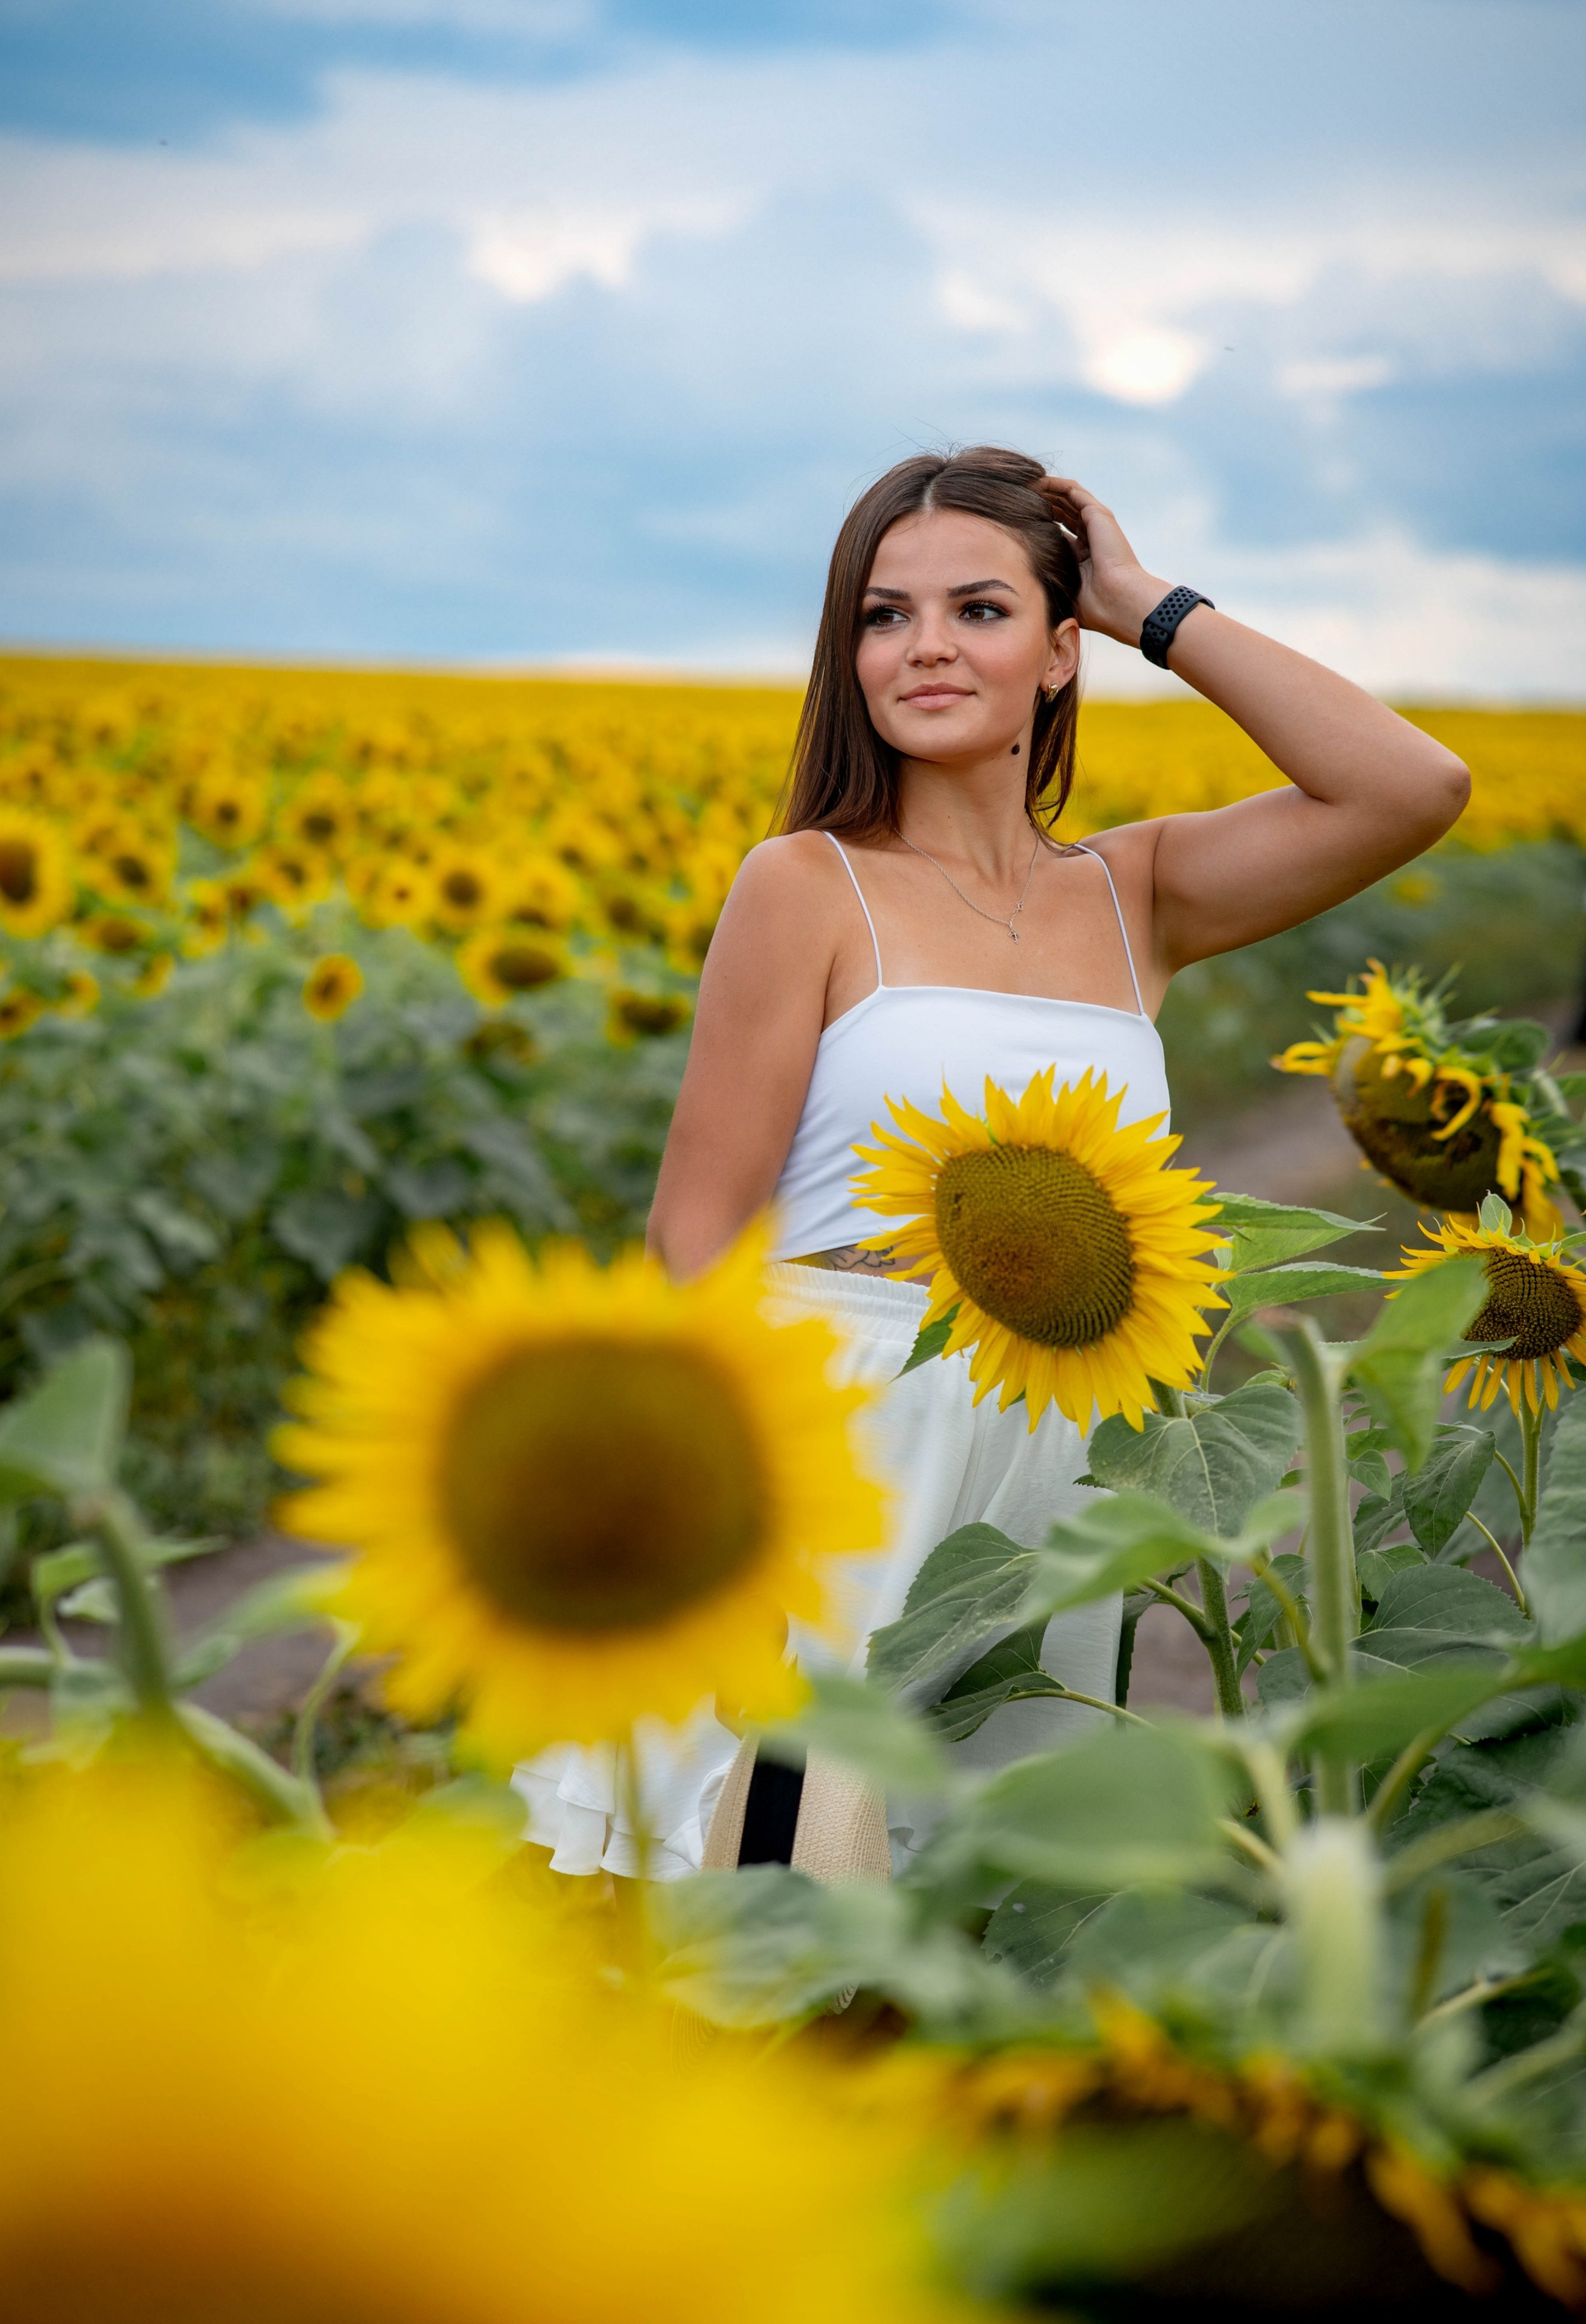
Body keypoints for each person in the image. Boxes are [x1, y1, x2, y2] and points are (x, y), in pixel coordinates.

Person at [515, 445, 1470, 1882]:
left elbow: (1410, 786)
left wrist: (1147, 605)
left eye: (978, 609)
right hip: (838, 1440)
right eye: (883, 615)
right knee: (776, 1894)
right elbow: (695, 1236)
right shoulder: (807, 883)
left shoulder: (1133, 892)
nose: (923, 647)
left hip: (1050, 1452)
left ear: (1058, 650)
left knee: (980, 1906)